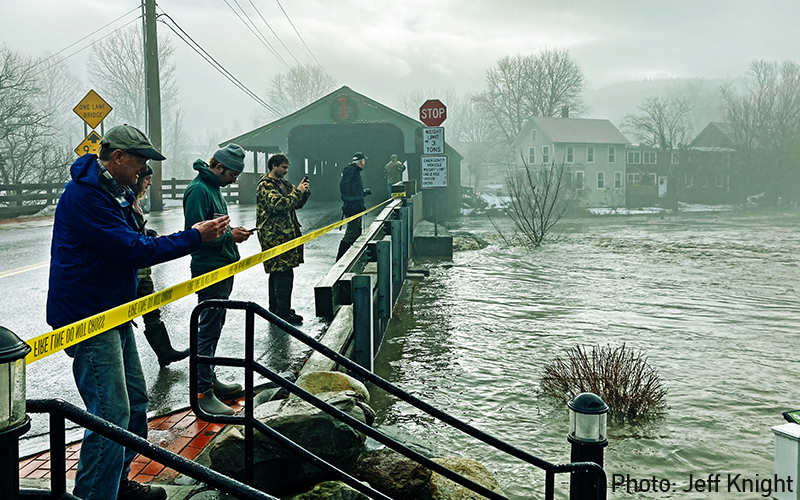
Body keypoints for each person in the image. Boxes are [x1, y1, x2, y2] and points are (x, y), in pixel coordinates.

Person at [46, 124, 229, 500]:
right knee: (110, 411)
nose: (145, 171)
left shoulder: (116, 193)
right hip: (89, 319)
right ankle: (96, 495)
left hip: (113, 311)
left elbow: (140, 242)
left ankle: (116, 482)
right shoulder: (86, 198)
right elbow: (133, 250)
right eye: (140, 163)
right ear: (118, 158)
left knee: (134, 404)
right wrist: (195, 235)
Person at [183, 144, 252, 416]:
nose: (234, 180)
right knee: (208, 329)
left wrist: (231, 232)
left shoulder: (213, 189)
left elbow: (216, 228)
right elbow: (196, 237)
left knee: (214, 326)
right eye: (232, 174)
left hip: (222, 267)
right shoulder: (199, 191)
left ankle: (208, 379)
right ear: (219, 167)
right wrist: (229, 238)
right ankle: (202, 391)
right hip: (210, 269)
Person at [131, 165, 190, 368]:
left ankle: (165, 352)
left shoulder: (136, 202)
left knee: (152, 311)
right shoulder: (125, 201)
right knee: (127, 318)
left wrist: (148, 234)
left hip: (142, 271)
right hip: (133, 273)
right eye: (147, 179)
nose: (149, 183)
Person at [255, 154, 311, 325]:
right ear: (273, 166)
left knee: (279, 271)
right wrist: (298, 192)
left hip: (286, 233)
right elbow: (280, 205)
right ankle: (283, 312)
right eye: (283, 168)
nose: (286, 171)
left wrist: (304, 193)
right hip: (274, 235)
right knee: (282, 271)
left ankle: (277, 309)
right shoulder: (265, 186)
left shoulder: (284, 184)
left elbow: (295, 203)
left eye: (287, 168)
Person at [336, 152, 371, 260]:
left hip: (356, 205)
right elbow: (344, 188)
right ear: (361, 162)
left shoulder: (354, 171)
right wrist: (353, 199)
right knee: (351, 233)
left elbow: (353, 188)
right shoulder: (351, 171)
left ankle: (352, 257)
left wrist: (362, 193)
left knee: (357, 232)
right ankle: (340, 259)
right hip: (353, 207)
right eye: (363, 161)